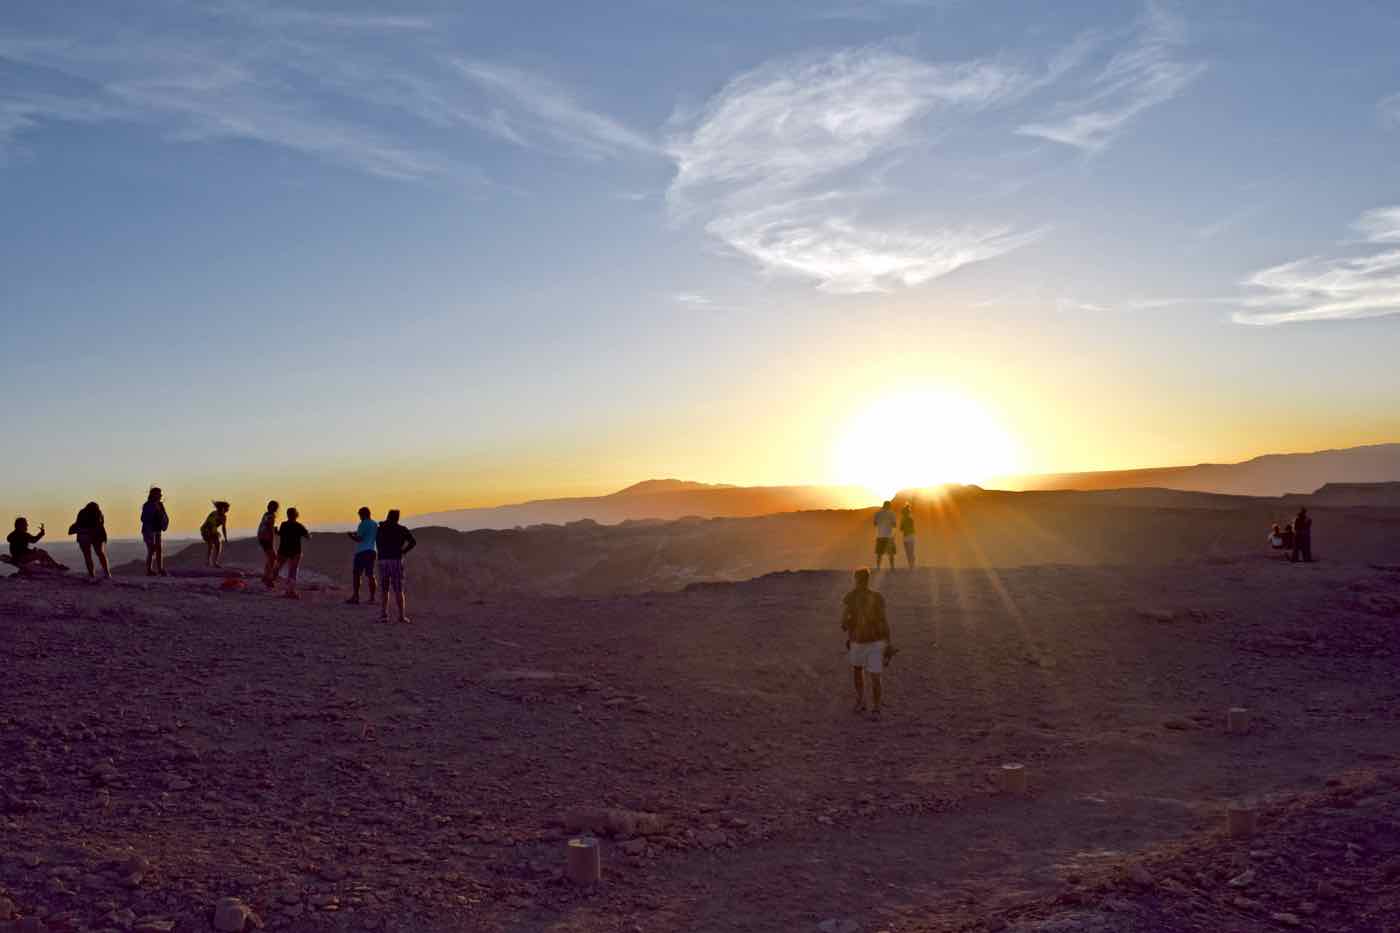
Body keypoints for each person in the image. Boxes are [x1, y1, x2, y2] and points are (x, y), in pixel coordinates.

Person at [841, 568, 891, 716]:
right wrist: (888, 641)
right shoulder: (877, 597)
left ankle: (861, 701)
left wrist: (847, 624)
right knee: (875, 675)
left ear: (856, 579)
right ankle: (876, 707)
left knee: (858, 672)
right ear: (868, 579)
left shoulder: (850, 597)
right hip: (874, 639)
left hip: (858, 639)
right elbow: (884, 621)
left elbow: (843, 621)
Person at [375, 509, 417, 624]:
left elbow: (376, 541)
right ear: (397, 518)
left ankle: (383, 615)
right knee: (398, 589)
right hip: (396, 560)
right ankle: (401, 616)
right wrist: (403, 551)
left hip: (383, 560)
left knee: (384, 589)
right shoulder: (402, 529)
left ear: (387, 516)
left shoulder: (380, 529)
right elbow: (413, 542)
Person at [274, 507, 310, 599]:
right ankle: (290, 591)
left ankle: (272, 582)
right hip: (295, 551)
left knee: (277, 567)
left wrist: (276, 531)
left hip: (283, 550)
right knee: (293, 571)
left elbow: (280, 534)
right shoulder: (298, 526)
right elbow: (308, 536)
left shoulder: (284, 524)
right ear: (296, 515)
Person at [69, 502, 111, 580]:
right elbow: (100, 525)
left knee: (88, 556)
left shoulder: (82, 513)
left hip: (84, 536)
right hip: (94, 535)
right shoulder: (98, 513)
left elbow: (78, 523)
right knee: (100, 554)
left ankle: (92, 574)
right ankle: (107, 573)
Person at [346, 506, 378, 605]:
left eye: (360, 515)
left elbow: (359, 539)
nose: (359, 517)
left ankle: (356, 596)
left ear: (363, 514)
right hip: (372, 550)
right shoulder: (374, 524)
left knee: (357, 574)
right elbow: (369, 535)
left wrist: (351, 536)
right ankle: (372, 598)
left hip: (361, 551)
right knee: (370, 575)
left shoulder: (362, 524)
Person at [140, 487, 170, 576]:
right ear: (154, 494)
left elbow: (164, 516)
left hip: (157, 530)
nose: (161, 495)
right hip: (149, 530)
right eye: (159, 493)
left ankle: (160, 569)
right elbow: (143, 518)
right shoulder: (147, 505)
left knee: (158, 549)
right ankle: (149, 570)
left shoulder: (160, 505)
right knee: (151, 550)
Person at [201, 501, 231, 568]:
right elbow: (210, 523)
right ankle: (208, 562)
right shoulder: (214, 514)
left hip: (213, 531)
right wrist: (214, 533)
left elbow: (223, 528)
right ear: (223, 508)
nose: (228, 510)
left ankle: (214, 562)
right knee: (211, 545)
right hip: (206, 530)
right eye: (227, 508)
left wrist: (225, 537)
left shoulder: (224, 517)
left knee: (218, 545)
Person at [257, 501, 280, 586]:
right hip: (266, 538)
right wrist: (272, 541)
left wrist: (274, 530)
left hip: (261, 537)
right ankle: (268, 579)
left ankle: (265, 576)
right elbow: (269, 529)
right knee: (272, 558)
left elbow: (267, 526)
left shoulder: (266, 514)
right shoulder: (271, 516)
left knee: (270, 558)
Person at [873, 500, 898, 571]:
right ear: (889, 506)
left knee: (879, 553)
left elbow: (875, 523)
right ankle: (892, 567)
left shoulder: (877, 513)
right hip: (889, 536)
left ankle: (878, 567)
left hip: (880, 536)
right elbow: (894, 525)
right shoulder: (892, 513)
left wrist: (881, 524)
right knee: (891, 553)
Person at [899, 501, 917, 569]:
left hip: (906, 537)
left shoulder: (903, 520)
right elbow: (912, 528)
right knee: (911, 551)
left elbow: (901, 529)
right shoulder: (911, 519)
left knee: (908, 552)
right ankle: (912, 565)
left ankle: (911, 565)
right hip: (911, 536)